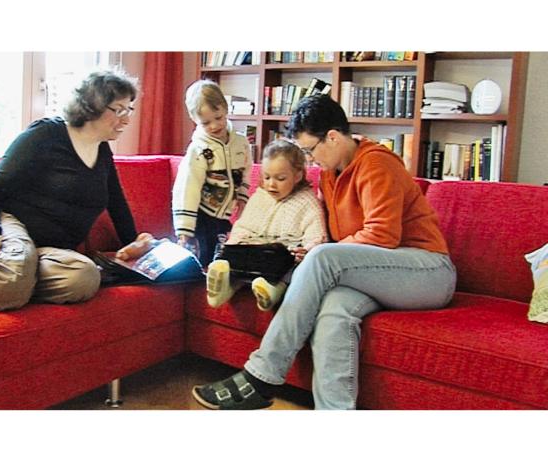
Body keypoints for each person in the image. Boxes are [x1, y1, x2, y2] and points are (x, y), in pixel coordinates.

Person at [191, 94, 457, 410]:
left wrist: (319, 255)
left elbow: (382, 235)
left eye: (310, 150)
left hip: (426, 271)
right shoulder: (330, 174)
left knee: (322, 258)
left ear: (332, 137)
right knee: (333, 312)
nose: (309, 159)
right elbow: (333, 235)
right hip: (374, 275)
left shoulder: (377, 163)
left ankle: (262, 376)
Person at [0, 70, 148, 314]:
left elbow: (117, 204)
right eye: (119, 110)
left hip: (43, 253)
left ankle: (7, 285)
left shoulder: (102, 151)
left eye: (129, 109)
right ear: (92, 104)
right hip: (2, 229)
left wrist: (135, 245)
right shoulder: (46, 134)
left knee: (84, 277)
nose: (127, 120)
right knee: (15, 268)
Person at [206, 138, 327, 311]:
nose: (271, 184)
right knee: (234, 260)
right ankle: (225, 288)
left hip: (282, 258)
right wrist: (234, 243)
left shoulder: (307, 202)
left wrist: (306, 250)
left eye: (280, 178)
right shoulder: (259, 197)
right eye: (267, 177)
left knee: (294, 270)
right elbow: (243, 226)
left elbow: (317, 236)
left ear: (298, 176)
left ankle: (272, 291)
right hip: (253, 254)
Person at [172, 79, 253, 267]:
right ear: (195, 120)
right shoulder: (198, 149)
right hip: (200, 215)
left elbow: (246, 170)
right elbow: (187, 188)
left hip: (223, 216)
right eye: (206, 122)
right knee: (202, 258)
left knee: (223, 256)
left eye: (218, 117)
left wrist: (242, 196)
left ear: (226, 108)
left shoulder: (241, 143)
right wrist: (184, 229)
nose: (214, 126)